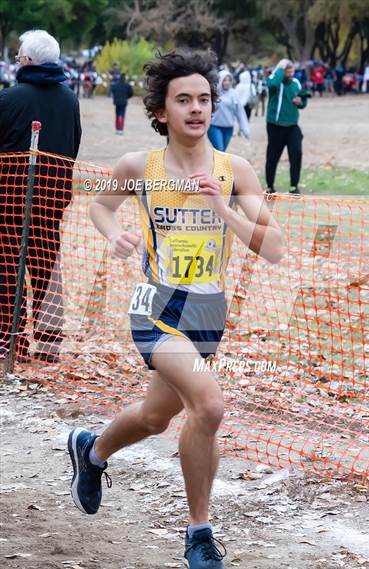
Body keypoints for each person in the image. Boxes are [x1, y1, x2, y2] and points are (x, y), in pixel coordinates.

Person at [67, 49, 283, 569]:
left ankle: (91, 452)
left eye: (204, 99)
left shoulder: (236, 170)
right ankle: (198, 535)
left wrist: (223, 211)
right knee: (208, 406)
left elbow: (275, 247)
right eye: (183, 99)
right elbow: (99, 203)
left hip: (208, 311)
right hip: (156, 306)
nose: (196, 108)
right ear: (161, 111)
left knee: (156, 416)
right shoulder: (139, 166)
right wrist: (116, 233)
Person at [0, 30, 81, 363]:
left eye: (19, 56)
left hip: (9, 201)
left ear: (28, 61)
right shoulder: (70, 99)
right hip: (52, 199)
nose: (18, 60)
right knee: (47, 269)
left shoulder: (9, 99)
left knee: (7, 271)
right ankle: (49, 346)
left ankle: (9, 343)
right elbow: (73, 146)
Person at [265, 59, 308, 195]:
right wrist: (280, 69)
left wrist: (300, 102)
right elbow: (272, 85)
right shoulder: (274, 79)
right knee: (273, 156)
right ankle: (270, 186)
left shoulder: (296, 83)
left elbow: (303, 101)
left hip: (292, 125)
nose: (290, 74)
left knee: (296, 153)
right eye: (287, 71)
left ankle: (294, 187)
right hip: (275, 125)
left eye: (291, 71)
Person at [207, 70, 249, 151]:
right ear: (220, 80)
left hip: (228, 128)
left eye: (229, 80)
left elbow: (240, 112)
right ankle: (218, 164)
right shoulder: (214, 93)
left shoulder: (234, 94)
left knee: (221, 152)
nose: (227, 82)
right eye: (224, 80)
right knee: (220, 149)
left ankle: (214, 163)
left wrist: (244, 128)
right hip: (214, 127)